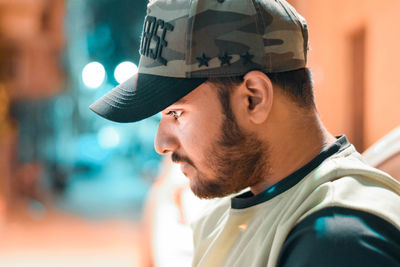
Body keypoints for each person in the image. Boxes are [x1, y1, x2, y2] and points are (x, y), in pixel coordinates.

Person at [90, 0, 400, 266]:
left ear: (254, 98)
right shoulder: (226, 213)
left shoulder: (339, 239)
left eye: (176, 113)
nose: (161, 143)